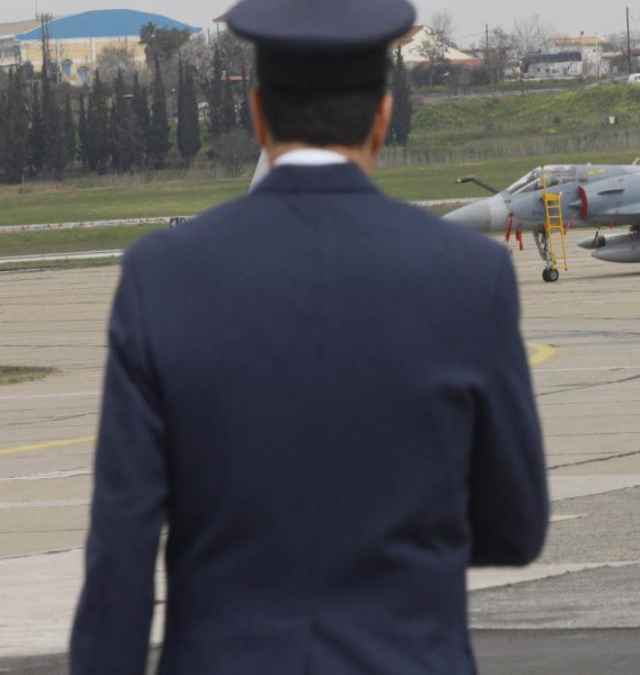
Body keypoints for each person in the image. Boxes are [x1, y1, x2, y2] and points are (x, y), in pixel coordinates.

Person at [69, 0, 549, 672]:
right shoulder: (471, 274)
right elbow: (516, 526)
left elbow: (121, 552)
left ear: (258, 116)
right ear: (383, 117)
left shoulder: (162, 276)